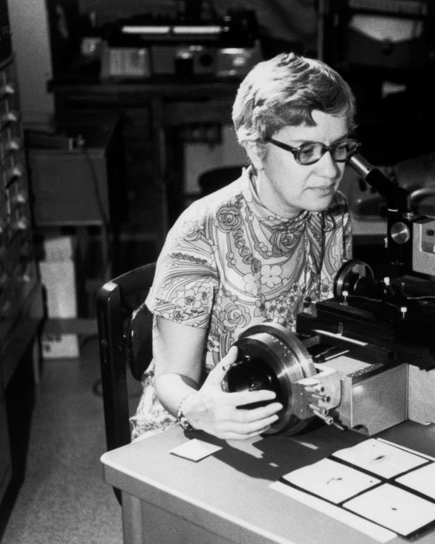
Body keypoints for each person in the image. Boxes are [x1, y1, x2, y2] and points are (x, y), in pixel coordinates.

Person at [130, 52, 359, 441]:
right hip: (196, 423)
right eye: (306, 151)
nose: (331, 170)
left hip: (281, 410)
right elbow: (171, 378)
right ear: (256, 148)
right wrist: (199, 410)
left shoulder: (332, 214)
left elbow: (329, 329)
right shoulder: (200, 231)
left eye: (339, 147)